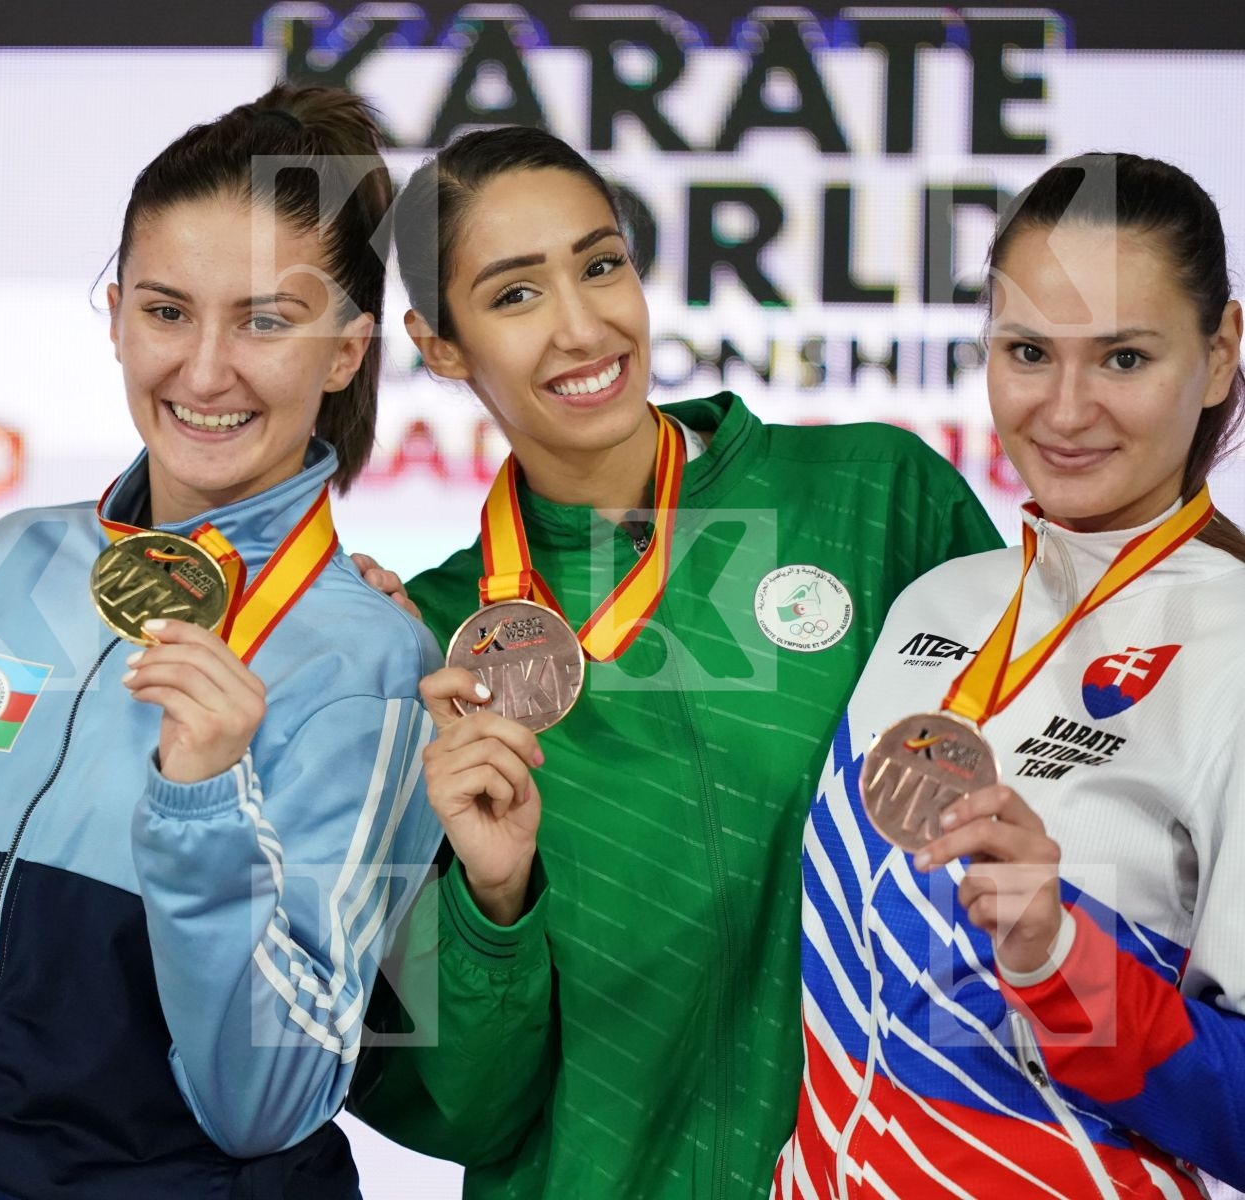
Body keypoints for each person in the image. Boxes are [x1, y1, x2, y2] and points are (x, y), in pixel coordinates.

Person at [347, 126, 1004, 1198]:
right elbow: (462, 1109)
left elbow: (1044, 842)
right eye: (516, 295)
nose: (582, 325)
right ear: (441, 344)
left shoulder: (874, 498)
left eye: (601, 265)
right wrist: (493, 902)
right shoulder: (430, 645)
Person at [0, 84, 442, 1200]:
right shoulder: (5, 565)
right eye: (168, 311)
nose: (206, 370)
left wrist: (204, 805)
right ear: (116, 314)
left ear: (344, 352)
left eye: (266, 322)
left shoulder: (371, 664)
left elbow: (269, 1101)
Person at [772, 153, 1245, 1197]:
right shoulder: (938, 602)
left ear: (1219, 355)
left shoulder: (1236, 651)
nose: (1065, 411)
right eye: (1029, 352)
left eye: (1123, 358)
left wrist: (1061, 956)